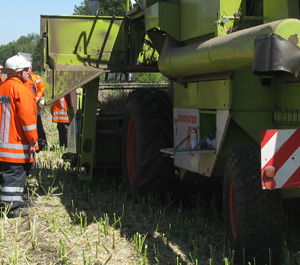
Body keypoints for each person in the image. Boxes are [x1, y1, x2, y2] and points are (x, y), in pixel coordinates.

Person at [0, 54, 38, 218]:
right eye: (25, 70)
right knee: (15, 174)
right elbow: (27, 118)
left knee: (7, 174)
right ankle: (11, 208)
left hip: (3, 142)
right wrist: (33, 139)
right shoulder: (21, 89)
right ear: (17, 72)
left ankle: (12, 201)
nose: (28, 73)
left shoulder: (3, 87)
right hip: (15, 143)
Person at [18, 52, 48, 151]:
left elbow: (42, 87)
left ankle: (42, 143)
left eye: (29, 68)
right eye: (26, 68)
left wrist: (38, 97)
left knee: (38, 125)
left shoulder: (35, 78)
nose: (28, 70)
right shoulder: (20, 80)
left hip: (35, 107)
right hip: (27, 106)